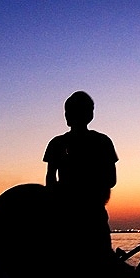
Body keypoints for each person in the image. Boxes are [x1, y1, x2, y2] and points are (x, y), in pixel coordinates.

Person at [44, 91, 118, 256]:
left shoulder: (58, 143)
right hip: (74, 215)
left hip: (82, 215)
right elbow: (111, 180)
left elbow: (50, 180)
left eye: (70, 111)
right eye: (67, 111)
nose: (67, 115)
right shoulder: (102, 142)